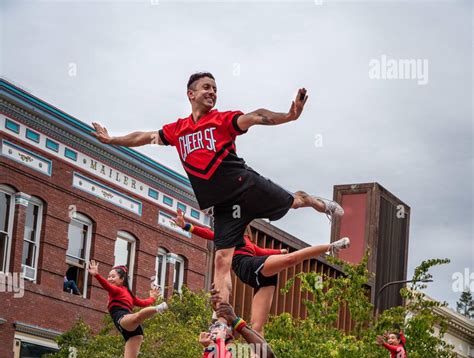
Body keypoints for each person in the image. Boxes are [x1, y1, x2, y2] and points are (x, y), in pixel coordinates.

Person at [92, 73, 343, 305]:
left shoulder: (221, 120)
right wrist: (112, 139)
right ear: (191, 94)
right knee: (222, 260)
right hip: (225, 208)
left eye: (215, 89)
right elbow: (144, 137)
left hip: (247, 188)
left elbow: (256, 116)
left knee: (295, 202)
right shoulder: (177, 130)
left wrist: (289, 116)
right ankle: (221, 316)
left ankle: (315, 201)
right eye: (206, 87)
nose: (212, 92)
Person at [173, 209, 349, 334]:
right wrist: (187, 227)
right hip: (246, 266)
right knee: (291, 260)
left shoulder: (247, 240)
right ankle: (330, 247)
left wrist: (278, 252)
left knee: (257, 326)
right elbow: (209, 234)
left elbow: (261, 252)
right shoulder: (227, 236)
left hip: (260, 276)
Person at [88, 260, 167, 358]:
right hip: (133, 334)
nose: (110, 279)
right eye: (109, 276)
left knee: (136, 317)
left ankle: (159, 308)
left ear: (122, 279)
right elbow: (143, 302)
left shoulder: (117, 291)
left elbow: (107, 286)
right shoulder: (129, 294)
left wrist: (97, 275)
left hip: (124, 319)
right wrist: (152, 297)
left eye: (113, 276)